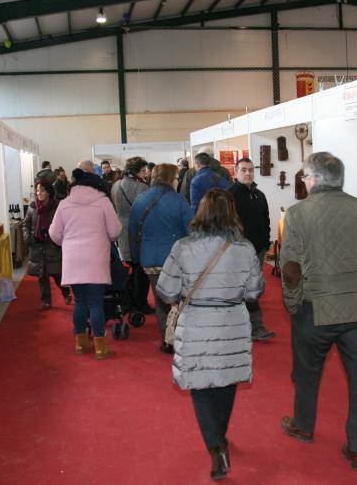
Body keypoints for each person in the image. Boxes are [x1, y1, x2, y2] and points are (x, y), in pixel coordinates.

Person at [279, 152, 357, 472]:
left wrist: (293, 303)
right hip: (355, 310)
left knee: (306, 374)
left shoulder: (298, 214)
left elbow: (290, 269)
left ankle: (303, 425)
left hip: (313, 309)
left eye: (305, 176)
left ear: (313, 178)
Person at [156, 189, 264, 481]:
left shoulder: (182, 247)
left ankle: (216, 446)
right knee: (226, 382)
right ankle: (220, 439)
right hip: (232, 322)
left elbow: (165, 290)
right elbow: (255, 291)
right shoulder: (244, 248)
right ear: (232, 213)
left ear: (200, 212)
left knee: (202, 387)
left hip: (196, 323)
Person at [49, 168, 122, 359]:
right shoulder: (103, 202)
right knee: (96, 303)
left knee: (80, 303)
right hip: (96, 258)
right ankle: (100, 347)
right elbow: (115, 230)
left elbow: (55, 234)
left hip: (73, 260)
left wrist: (68, 241)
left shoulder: (65, 204)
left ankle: (81, 343)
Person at [128, 163, 193, 354]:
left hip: (150, 258)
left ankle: (167, 339)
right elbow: (191, 230)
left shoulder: (140, 199)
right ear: (170, 178)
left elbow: (132, 231)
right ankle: (179, 337)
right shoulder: (179, 200)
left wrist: (136, 256)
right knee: (180, 298)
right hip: (175, 258)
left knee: (160, 300)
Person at [228, 157, 275, 341]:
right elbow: (226, 225)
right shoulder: (229, 196)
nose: (248, 173)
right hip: (237, 251)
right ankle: (255, 326)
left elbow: (266, 220)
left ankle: (252, 326)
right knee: (241, 289)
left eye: (250, 170)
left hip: (259, 250)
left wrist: (266, 241)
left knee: (252, 288)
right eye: (243, 170)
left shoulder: (259, 194)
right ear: (236, 172)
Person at [111, 156, 153, 312]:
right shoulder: (141, 188)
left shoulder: (115, 185)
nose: (145, 174)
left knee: (130, 266)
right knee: (141, 269)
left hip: (121, 228)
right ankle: (140, 302)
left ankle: (128, 301)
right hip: (137, 229)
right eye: (143, 171)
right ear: (136, 171)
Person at [23, 180, 71, 309]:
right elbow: (26, 224)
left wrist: (58, 238)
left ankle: (66, 292)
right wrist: (28, 238)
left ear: (49, 192)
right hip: (36, 245)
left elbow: (64, 224)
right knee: (41, 274)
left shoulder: (57, 206)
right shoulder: (33, 207)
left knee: (56, 273)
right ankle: (46, 300)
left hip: (52, 245)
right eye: (37, 190)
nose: (39, 193)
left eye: (42, 190)